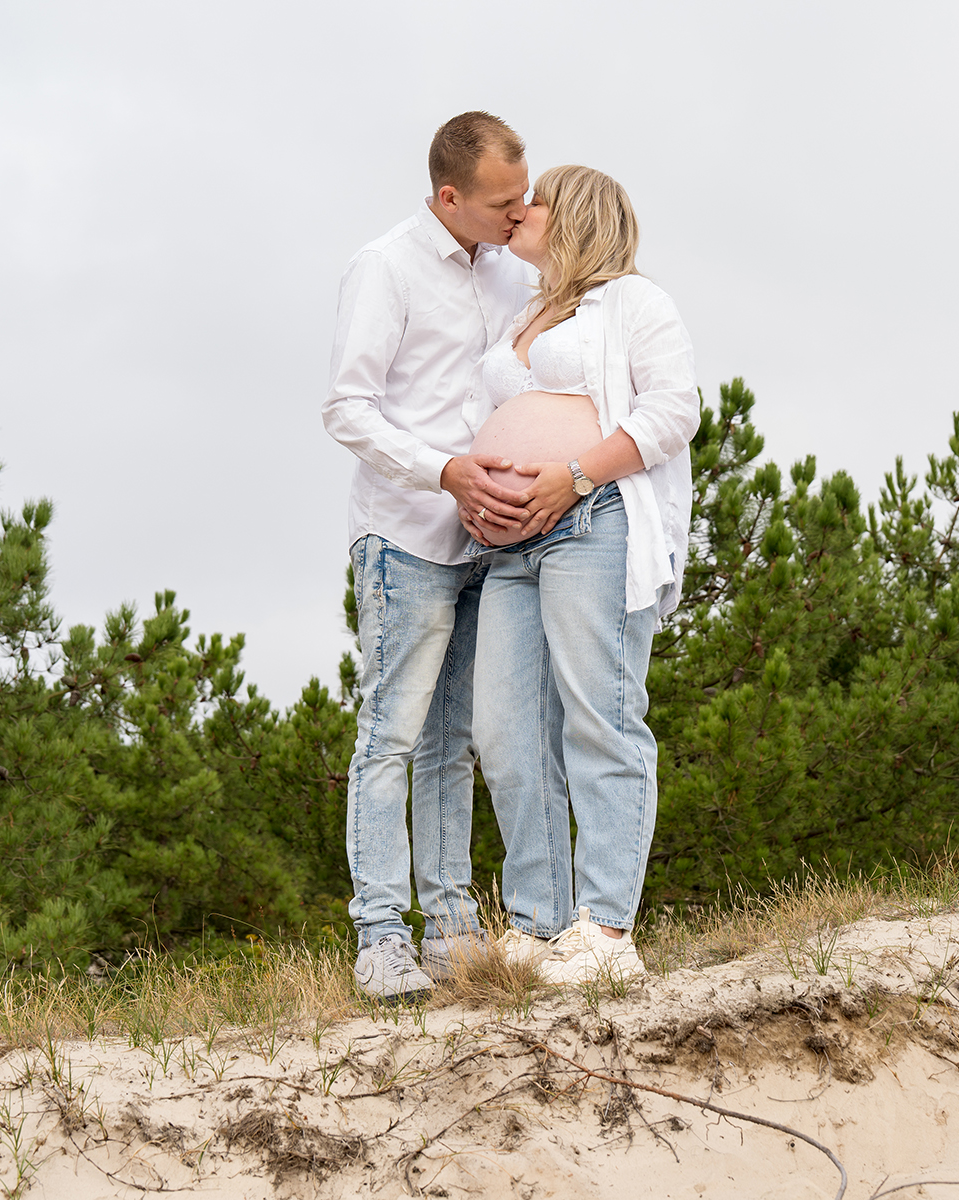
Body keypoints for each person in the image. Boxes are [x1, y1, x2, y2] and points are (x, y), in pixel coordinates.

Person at [462, 165, 700, 985]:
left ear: (578, 217)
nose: (521, 210)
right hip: (509, 546)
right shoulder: (526, 313)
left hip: (593, 526)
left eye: (538, 200)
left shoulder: (636, 303)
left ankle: (607, 932)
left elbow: (673, 410)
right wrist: (479, 493)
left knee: (600, 716)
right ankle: (538, 922)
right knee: (503, 730)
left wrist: (574, 476)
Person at [321, 112, 541, 1002]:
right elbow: (347, 407)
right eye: (502, 202)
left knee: (455, 745)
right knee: (390, 735)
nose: (520, 214)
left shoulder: (512, 269)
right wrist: (445, 470)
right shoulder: (385, 266)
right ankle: (380, 938)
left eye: (524, 196)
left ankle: (451, 935)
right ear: (449, 197)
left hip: (490, 541)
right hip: (406, 536)